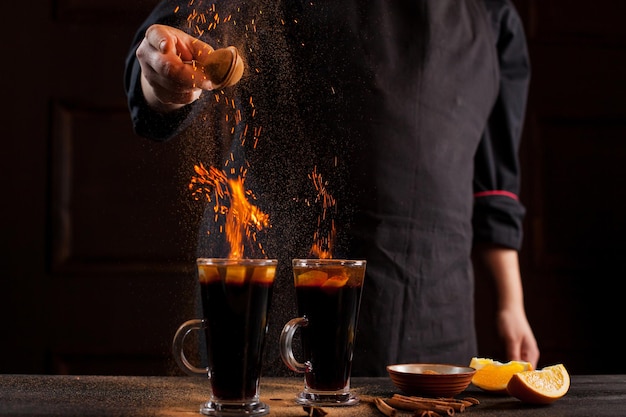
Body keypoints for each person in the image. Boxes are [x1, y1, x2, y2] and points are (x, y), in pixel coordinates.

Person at [125, 0, 540, 376]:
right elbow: (189, 37)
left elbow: (492, 181)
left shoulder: (494, 15)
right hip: (279, 302)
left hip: (435, 303)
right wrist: (165, 78)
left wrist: (511, 304)